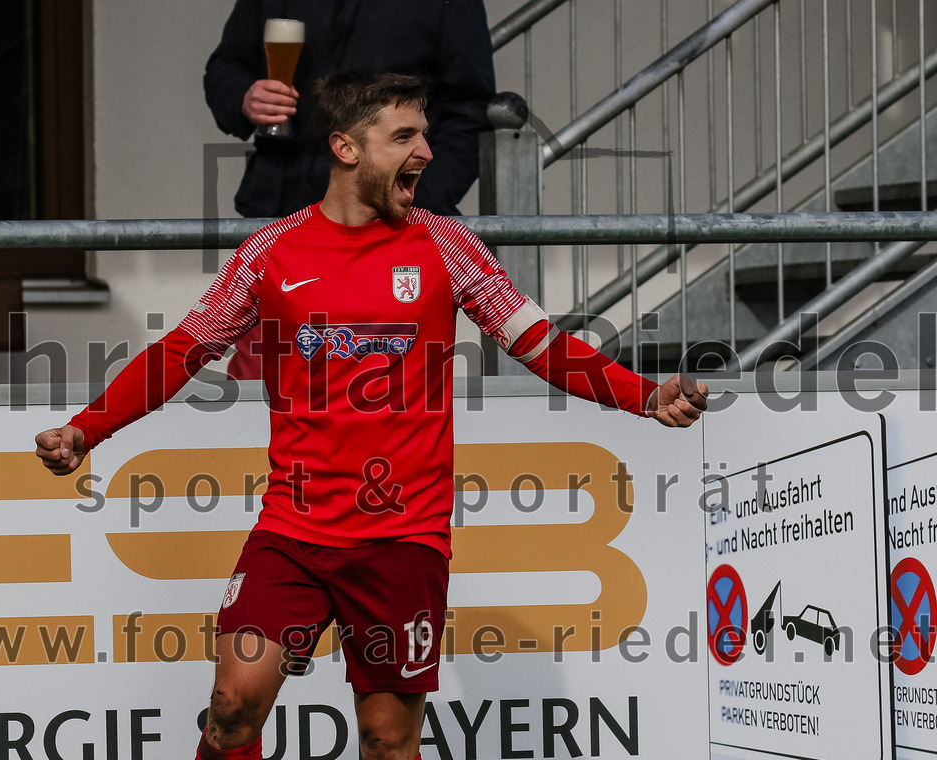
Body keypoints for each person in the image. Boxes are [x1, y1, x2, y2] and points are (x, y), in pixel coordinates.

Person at [35, 71, 708, 760]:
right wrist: (88, 428)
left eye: (425, 134)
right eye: (405, 136)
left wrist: (642, 394)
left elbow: (539, 342)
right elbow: (181, 351)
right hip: (292, 532)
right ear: (346, 148)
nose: (427, 152)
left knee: (387, 741)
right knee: (231, 708)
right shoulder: (272, 253)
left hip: (402, 539)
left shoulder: (448, 245)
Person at [205, 0, 495, 219]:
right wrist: (243, 96)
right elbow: (227, 66)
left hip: (392, 218)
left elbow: (471, 108)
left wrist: (422, 198)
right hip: (280, 207)